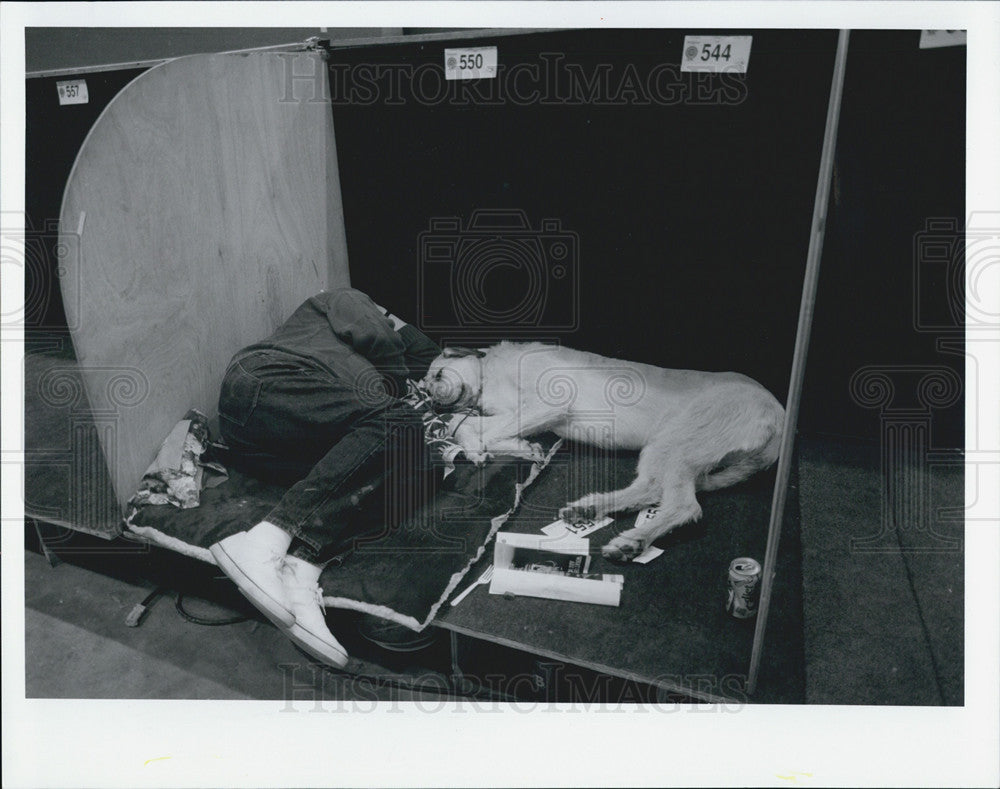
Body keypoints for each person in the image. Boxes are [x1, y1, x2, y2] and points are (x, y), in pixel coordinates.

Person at [208, 288, 442, 668]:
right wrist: (397, 379)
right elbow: (379, 335)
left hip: (293, 438)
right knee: (397, 422)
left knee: (423, 472)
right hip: (266, 383)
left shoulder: (364, 389)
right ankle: (263, 540)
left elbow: (432, 358)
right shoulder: (345, 300)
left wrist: (424, 366)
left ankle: (301, 569)